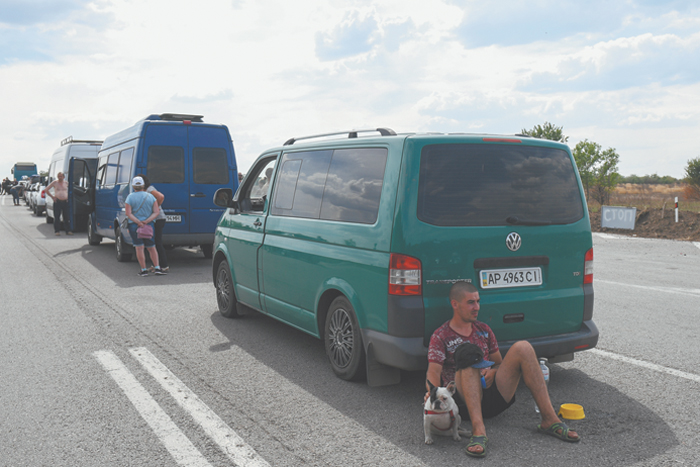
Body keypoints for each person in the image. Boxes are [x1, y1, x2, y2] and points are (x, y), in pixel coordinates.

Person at [426, 281, 580, 458]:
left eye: (478, 301)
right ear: (455, 304)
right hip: (463, 403)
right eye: (471, 302)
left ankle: (549, 420)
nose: (477, 307)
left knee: (523, 347)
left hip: (492, 396)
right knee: (468, 357)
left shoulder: (484, 329)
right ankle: (479, 431)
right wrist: (431, 394)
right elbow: (433, 372)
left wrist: (493, 372)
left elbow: (497, 363)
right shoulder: (441, 335)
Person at [125, 176, 166, 277]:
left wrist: (138, 222)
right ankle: (157, 268)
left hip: (134, 225)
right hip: (149, 225)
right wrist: (146, 221)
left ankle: (143, 270)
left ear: (133, 186)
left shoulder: (130, 197)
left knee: (139, 248)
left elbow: (128, 213)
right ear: (143, 185)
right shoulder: (150, 197)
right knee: (152, 247)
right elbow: (156, 212)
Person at [138, 174, 168, 273]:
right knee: (152, 243)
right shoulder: (145, 191)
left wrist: (155, 207)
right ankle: (156, 265)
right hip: (154, 219)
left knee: (157, 243)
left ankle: (163, 266)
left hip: (158, 219)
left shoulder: (149, 189)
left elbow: (161, 196)